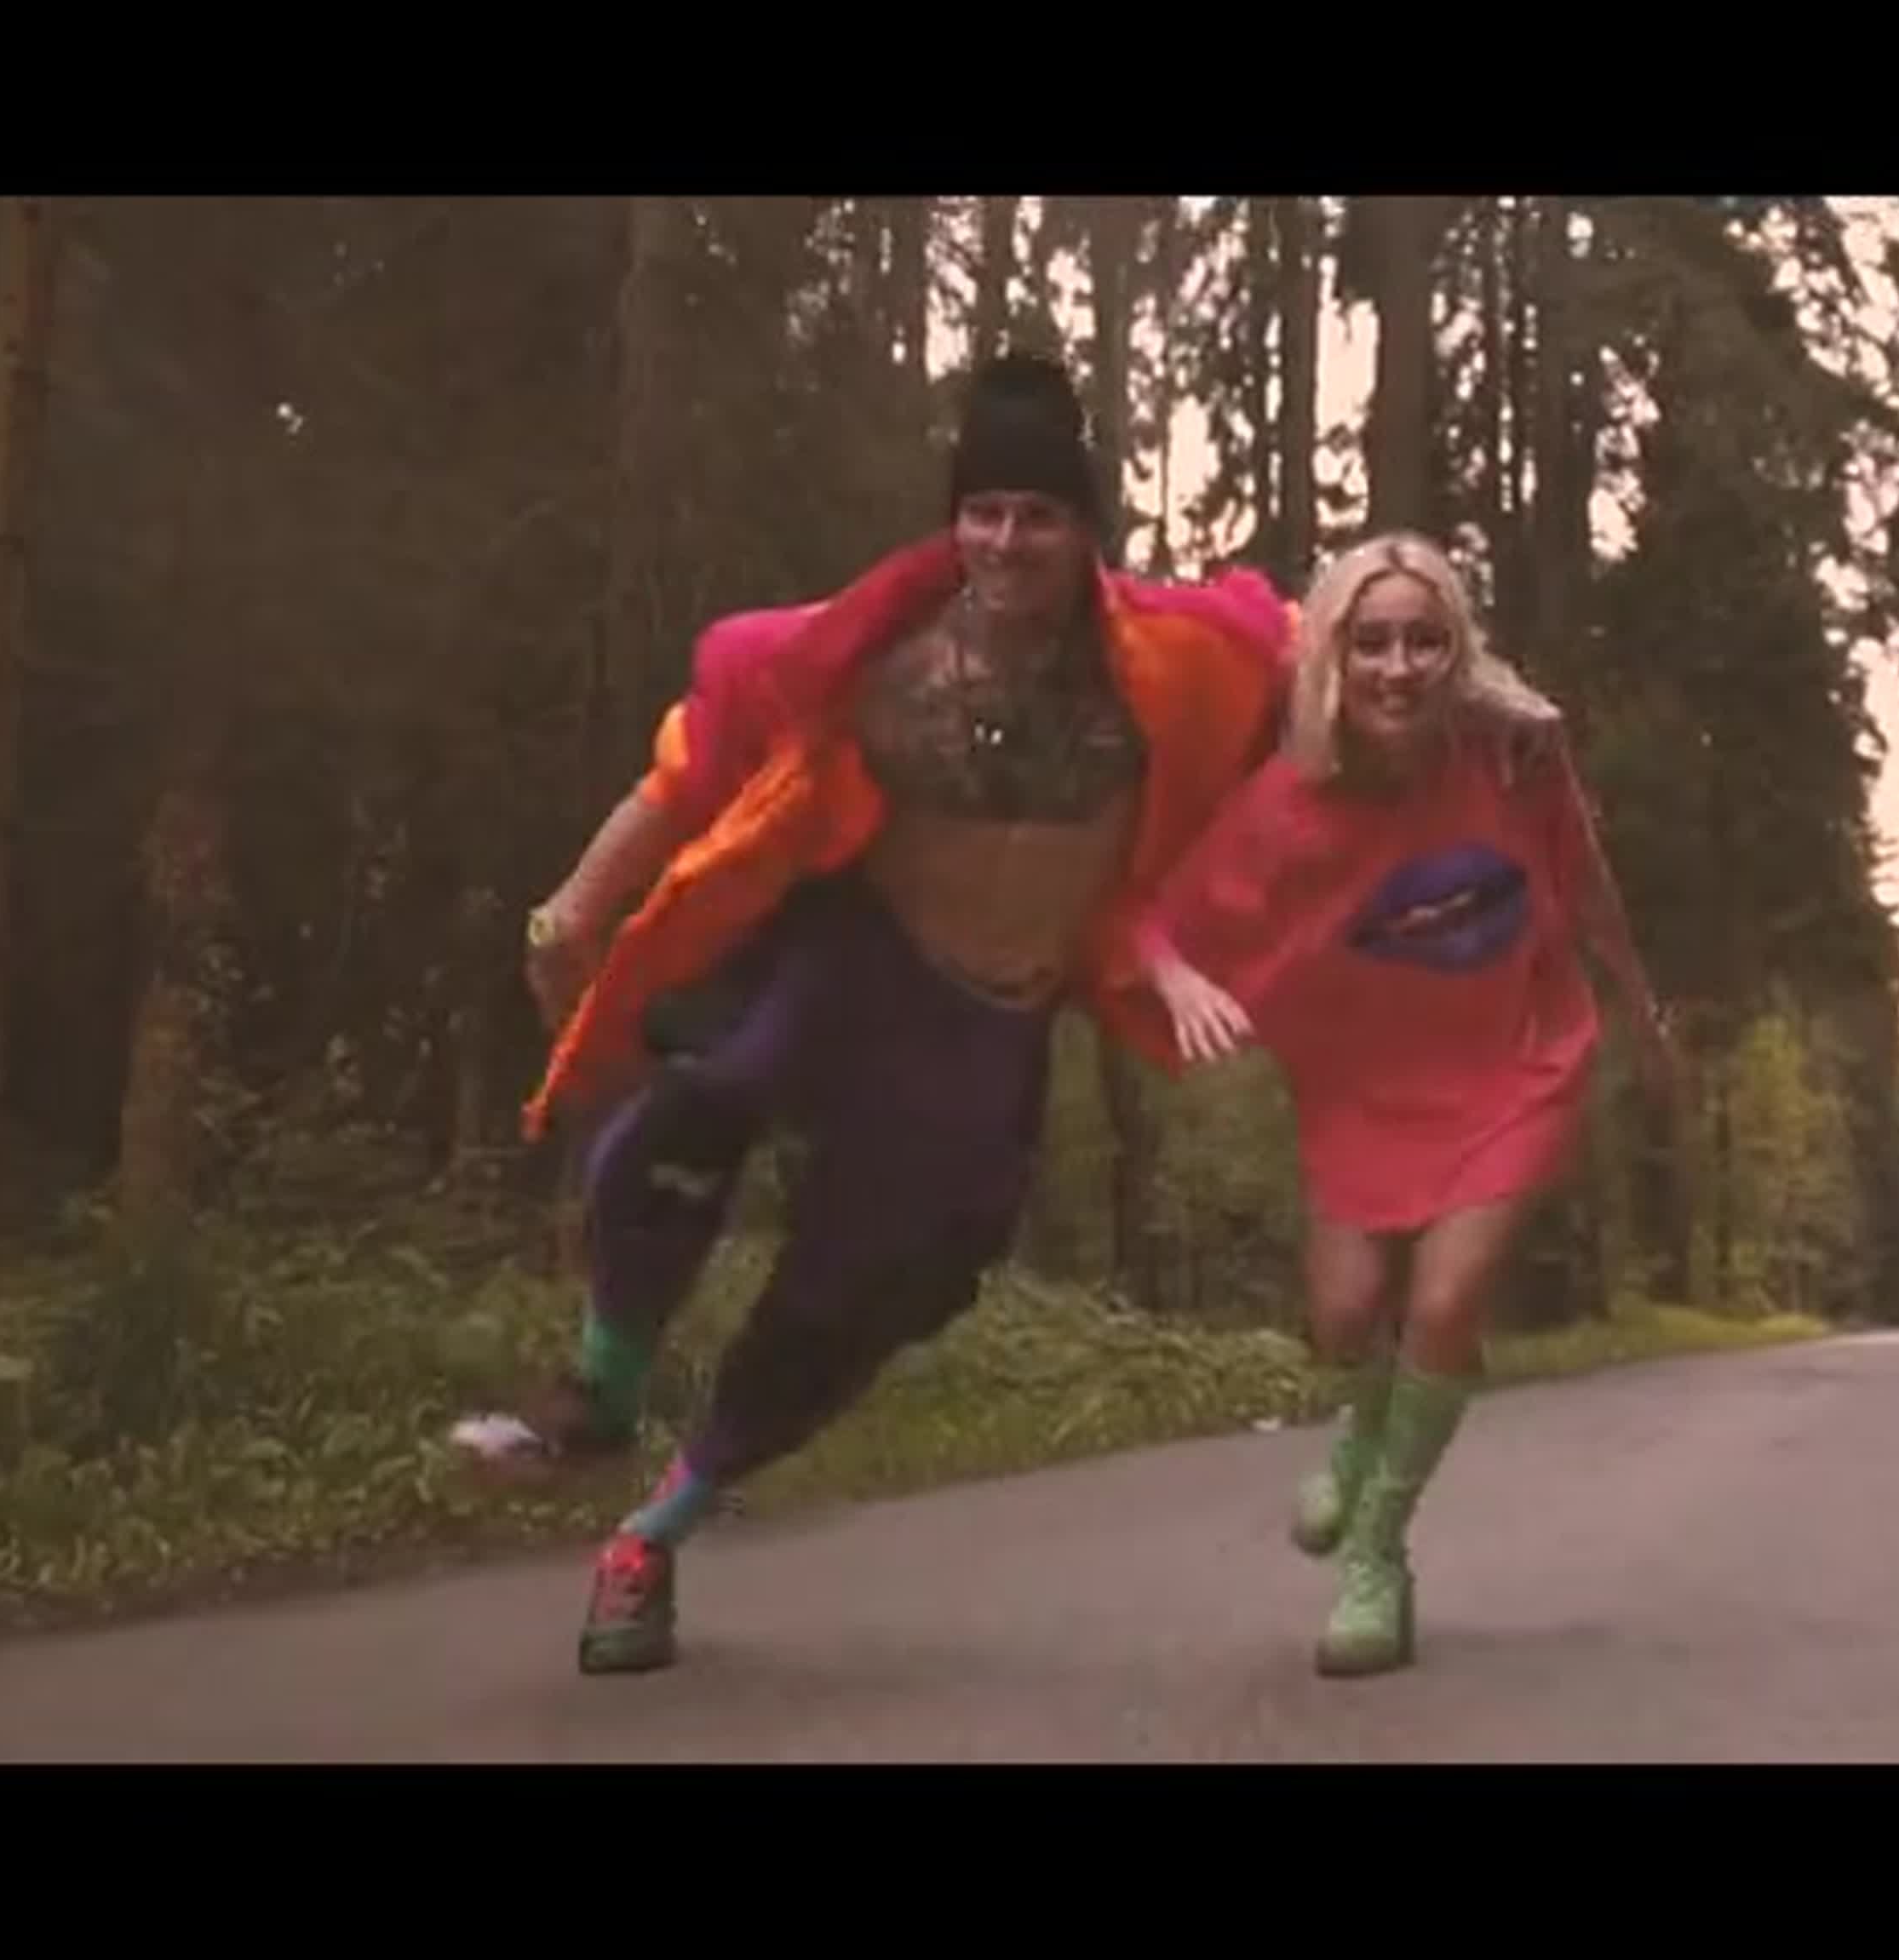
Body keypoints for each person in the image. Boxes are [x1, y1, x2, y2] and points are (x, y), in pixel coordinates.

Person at [453, 351, 1294, 1676]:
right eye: (983, 513)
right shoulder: (870, 654)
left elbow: (1353, 656)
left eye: (1038, 516)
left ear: (1087, 531)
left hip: (986, 1024)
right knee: (697, 1100)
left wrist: (1493, 709)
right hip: (854, 957)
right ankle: (601, 1391)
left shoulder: (1172, 670)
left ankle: (652, 1533)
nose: (1005, 542)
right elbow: (692, 765)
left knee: (867, 1288)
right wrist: (574, 904)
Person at [1133, 531, 1670, 1678]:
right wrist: (1177, 983)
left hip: (1514, 1060)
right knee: (1343, 1318)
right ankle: (1363, 1433)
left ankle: (1378, 1551)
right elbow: (1153, 921)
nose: (1398, 667)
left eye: (1425, 641)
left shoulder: (1514, 760)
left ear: (1456, 653)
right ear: (1333, 654)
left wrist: (1643, 1006)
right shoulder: (1287, 802)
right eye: (1372, 642)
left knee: (1445, 1299)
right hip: (1364, 1088)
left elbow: (1584, 880)